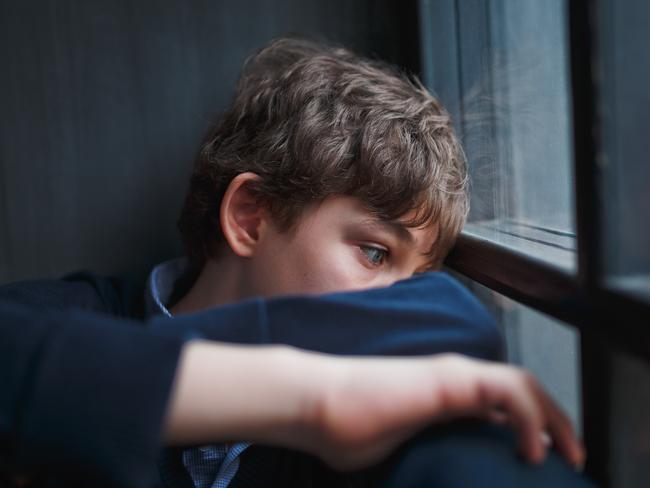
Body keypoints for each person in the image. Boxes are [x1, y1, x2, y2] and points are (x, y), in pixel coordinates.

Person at [0, 37, 591, 487]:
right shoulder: (69, 322)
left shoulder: (390, 405)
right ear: (251, 216)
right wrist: (312, 397)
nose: (398, 300)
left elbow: (453, 321)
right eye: (373, 252)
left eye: (417, 276)